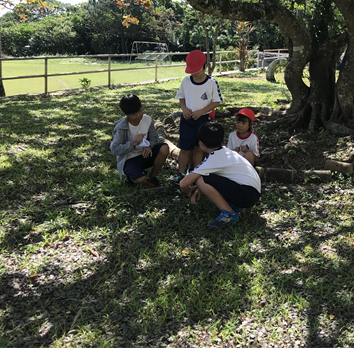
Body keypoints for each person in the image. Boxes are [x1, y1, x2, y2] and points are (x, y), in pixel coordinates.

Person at [179, 122, 262, 228]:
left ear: (201, 143)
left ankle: (229, 213)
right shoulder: (227, 152)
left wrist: (188, 191)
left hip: (247, 195)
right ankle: (235, 205)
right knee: (202, 179)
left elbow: (183, 184)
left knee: (200, 179)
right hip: (253, 192)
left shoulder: (213, 158)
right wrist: (199, 188)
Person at [169, 50, 223, 185]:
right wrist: (184, 109)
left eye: (196, 70)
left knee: (199, 148)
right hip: (187, 120)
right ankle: (181, 174)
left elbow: (216, 102)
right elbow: (181, 98)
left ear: (205, 66)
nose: (193, 73)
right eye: (191, 70)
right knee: (185, 148)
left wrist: (202, 111)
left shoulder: (212, 82)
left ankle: (195, 173)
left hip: (203, 120)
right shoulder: (186, 81)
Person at [110, 94, 170, 187]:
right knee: (140, 179)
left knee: (164, 148)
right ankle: (130, 177)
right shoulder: (121, 127)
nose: (138, 115)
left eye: (139, 111)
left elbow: (154, 137)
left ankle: (152, 177)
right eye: (134, 114)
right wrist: (134, 143)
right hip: (129, 159)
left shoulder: (147, 119)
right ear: (126, 114)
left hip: (145, 154)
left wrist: (149, 145)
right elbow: (114, 149)